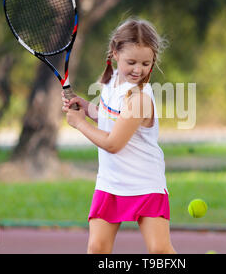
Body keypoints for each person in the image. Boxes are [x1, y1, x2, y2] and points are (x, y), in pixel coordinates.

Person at [62, 18, 176, 254]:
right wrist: (88, 109)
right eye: (131, 62)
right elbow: (109, 117)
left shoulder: (140, 99)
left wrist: (80, 124)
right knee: (97, 248)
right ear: (115, 53)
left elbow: (113, 143)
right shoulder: (111, 81)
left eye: (146, 63)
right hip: (111, 182)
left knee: (159, 251)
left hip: (144, 182)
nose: (138, 69)